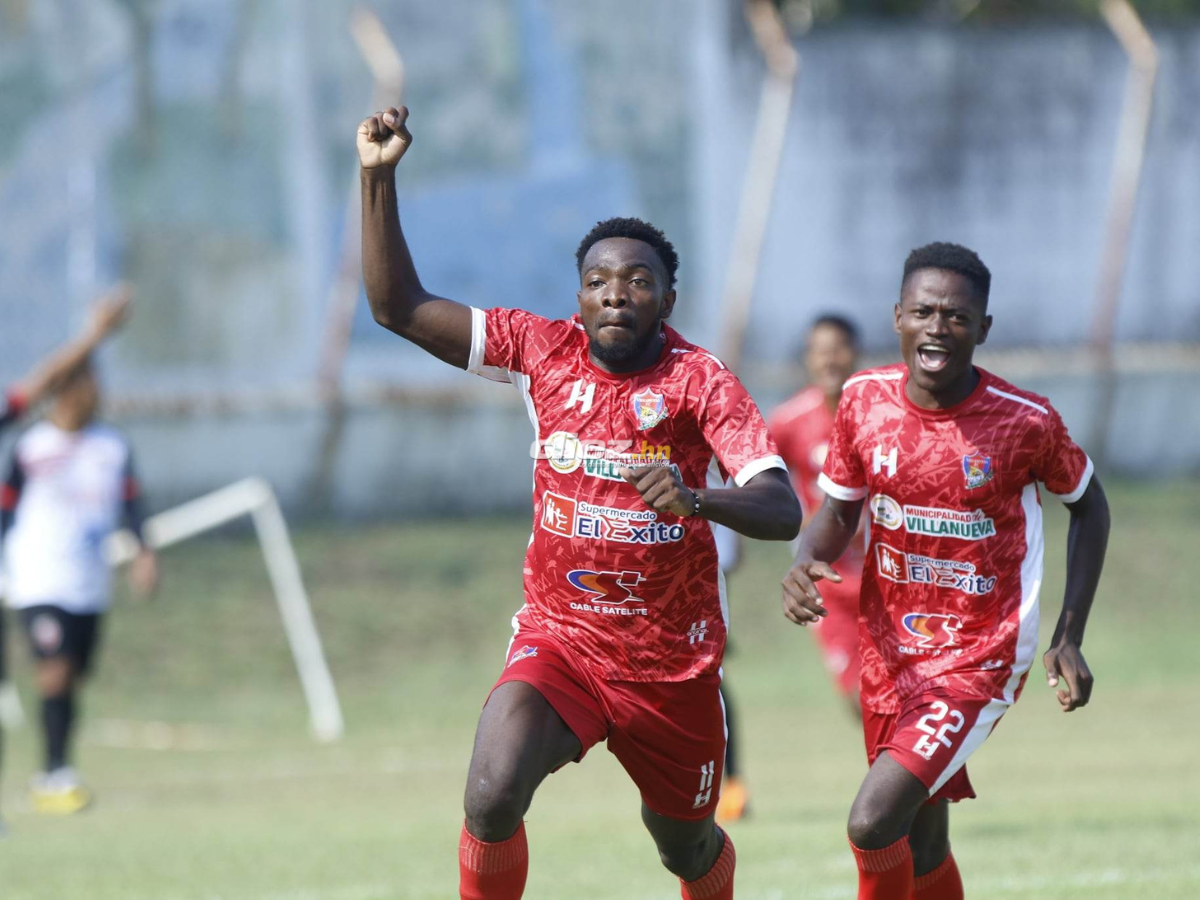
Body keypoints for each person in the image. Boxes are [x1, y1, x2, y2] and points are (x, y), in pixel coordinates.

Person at [359, 105, 801, 900]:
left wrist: (696, 499)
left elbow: (780, 505)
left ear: (668, 299)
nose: (615, 296)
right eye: (597, 282)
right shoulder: (540, 351)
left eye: (638, 283)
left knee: (686, 849)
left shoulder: (700, 382)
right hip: (561, 641)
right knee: (491, 795)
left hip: (671, 666)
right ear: (578, 297)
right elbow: (398, 308)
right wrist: (378, 178)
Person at [782, 243, 1110, 900]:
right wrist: (806, 556)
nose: (938, 326)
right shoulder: (863, 401)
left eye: (957, 316)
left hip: (977, 655)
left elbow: (1090, 509)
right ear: (898, 316)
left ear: (983, 329)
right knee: (922, 839)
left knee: (873, 823)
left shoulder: (1025, 421)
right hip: (889, 648)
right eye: (924, 311)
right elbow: (838, 510)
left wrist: (1069, 633)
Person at [1, 356, 158, 815]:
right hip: (38, 579)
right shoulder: (31, 446)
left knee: (74, 678)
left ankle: (56, 768)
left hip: (89, 581)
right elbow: (6, 508)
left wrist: (144, 551)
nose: (98, 391)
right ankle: (53, 773)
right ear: (66, 389)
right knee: (54, 670)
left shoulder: (111, 446)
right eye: (90, 382)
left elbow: (132, 502)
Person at [769, 314, 865, 714]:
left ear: (854, 353)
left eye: (837, 349)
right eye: (819, 351)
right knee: (858, 697)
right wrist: (797, 520)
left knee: (900, 688)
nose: (829, 360)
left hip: (887, 572)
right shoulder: (790, 421)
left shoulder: (879, 412)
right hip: (828, 578)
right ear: (809, 359)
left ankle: (907, 772)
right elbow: (758, 475)